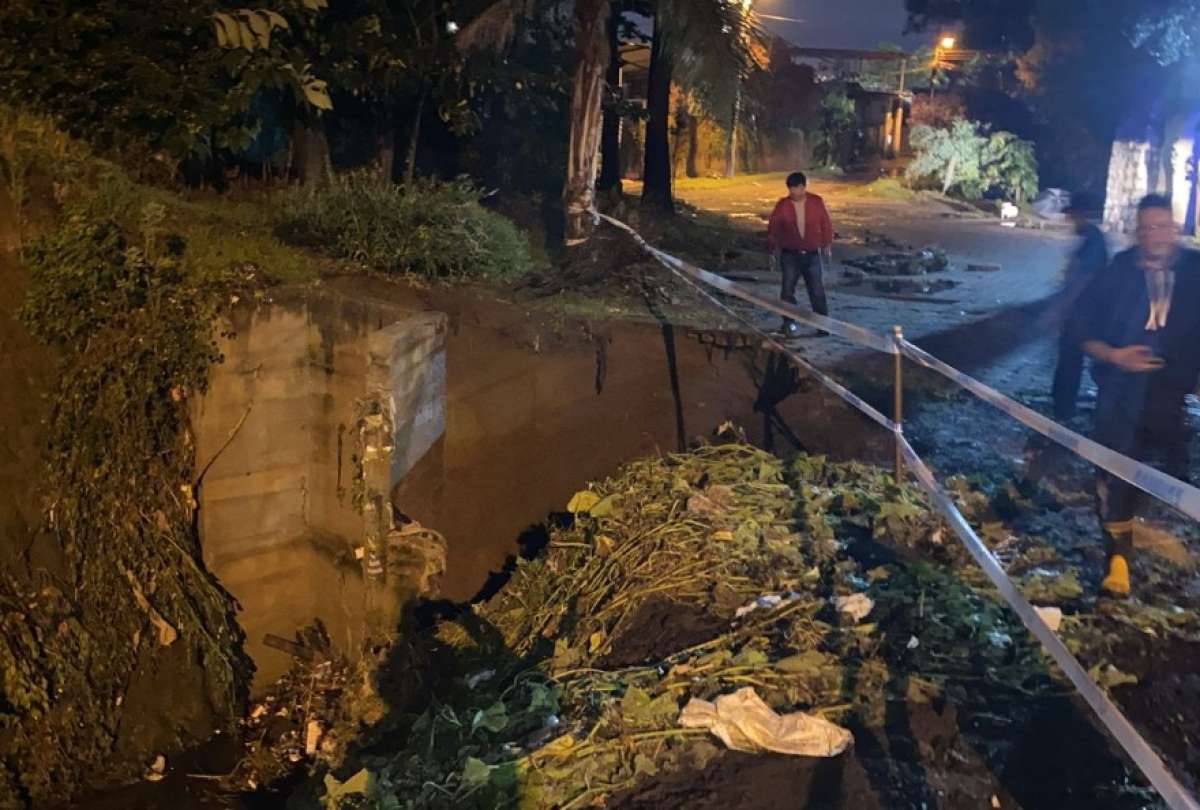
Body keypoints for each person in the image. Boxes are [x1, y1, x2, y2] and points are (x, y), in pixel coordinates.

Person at [1069, 193, 1200, 597]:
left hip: (1172, 395)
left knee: (1170, 474)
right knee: (1116, 472)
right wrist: (1115, 355)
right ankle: (1117, 560)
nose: (1154, 236)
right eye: (1145, 228)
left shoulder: (1195, 271)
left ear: (1174, 229)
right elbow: (1080, 329)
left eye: (1161, 227)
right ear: (1136, 233)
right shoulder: (1117, 273)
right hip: (1120, 392)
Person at [1050, 192, 1109, 420]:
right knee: (1069, 358)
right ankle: (1061, 403)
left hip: (1084, 313)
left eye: (1072, 215)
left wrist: (1062, 308)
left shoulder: (1093, 240)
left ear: (1080, 214)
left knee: (1072, 360)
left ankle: (1064, 409)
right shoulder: (1088, 237)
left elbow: (1083, 279)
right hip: (1078, 311)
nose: (1069, 220)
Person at [767, 172, 834, 337]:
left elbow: (825, 223)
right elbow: (773, 227)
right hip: (790, 254)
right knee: (787, 291)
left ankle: (822, 325)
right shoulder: (783, 205)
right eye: (790, 189)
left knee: (817, 290)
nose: (793, 192)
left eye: (796, 188)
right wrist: (771, 249)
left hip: (812, 254)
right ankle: (788, 323)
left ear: (803, 187)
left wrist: (827, 243)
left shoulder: (816, 202)